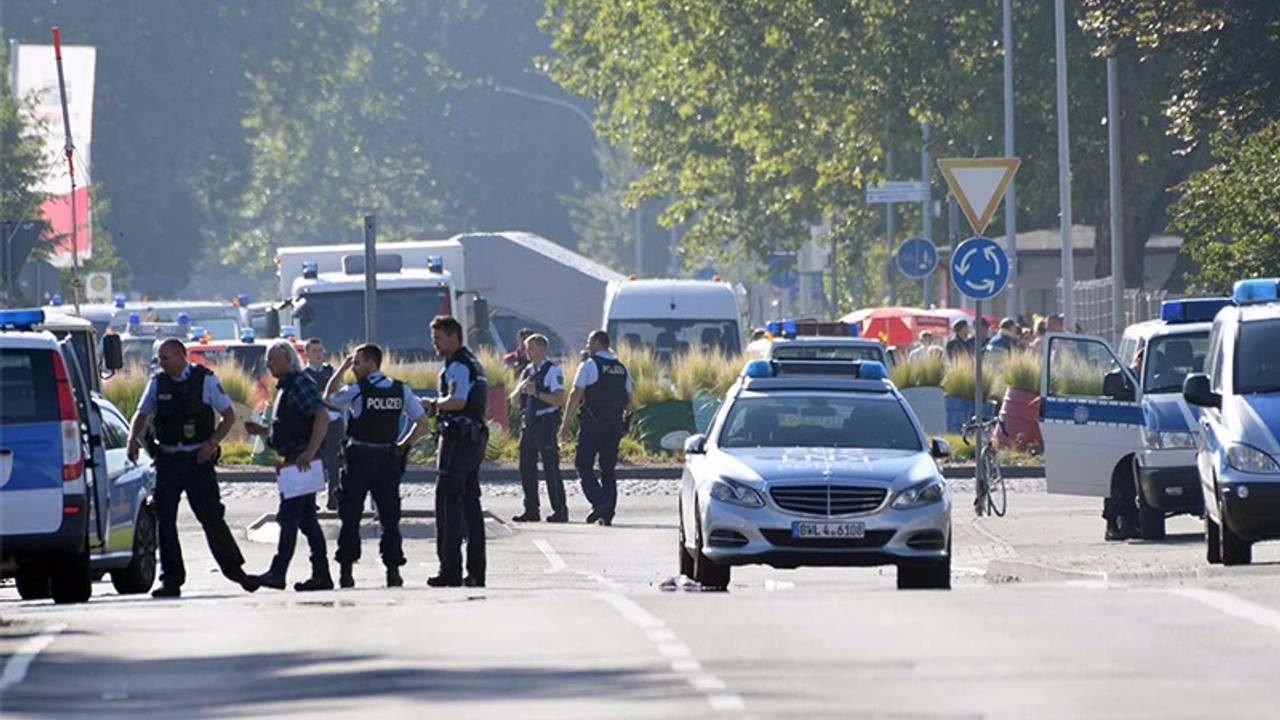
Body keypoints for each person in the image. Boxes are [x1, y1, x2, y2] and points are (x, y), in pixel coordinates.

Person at [125, 338, 258, 598]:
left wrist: (212, 443)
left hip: (198, 459)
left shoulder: (205, 379)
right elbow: (141, 415)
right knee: (165, 521)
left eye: (165, 358)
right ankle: (171, 580)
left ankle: (236, 572)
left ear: (180, 356)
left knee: (210, 517)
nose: (160, 363)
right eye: (159, 358)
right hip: (168, 460)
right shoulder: (157, 382)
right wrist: (132, 441)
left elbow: (228, 416)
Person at [324, 342, 430, 589]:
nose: (354, 368)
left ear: (371, 363)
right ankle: (393, 571)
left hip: (359, 458)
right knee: (390, 518)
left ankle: (346, 572)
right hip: (387, 459)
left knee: (350, 516)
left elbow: (328, 397)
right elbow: (422, 422)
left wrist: (340, 369)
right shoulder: (399, 389)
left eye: (357, 363)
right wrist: (403, 445)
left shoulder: (357, 390)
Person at [244, 340, 332, 591]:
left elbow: (322, 416)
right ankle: (321, 574)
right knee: (306, 519)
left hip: (300, 461)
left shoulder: (300, 383)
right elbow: (291, 424)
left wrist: (309, 452)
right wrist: (263, 430)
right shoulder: (287, 387)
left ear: (287, 359)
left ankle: (278, 571)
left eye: (272, 358)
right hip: (294, 460)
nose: (268, 363)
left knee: (290, 517)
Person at [422, 315, 490, 587]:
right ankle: (476, 572)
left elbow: (459, 400)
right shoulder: (473, 362)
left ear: (453, 336)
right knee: (471, 505)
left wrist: (434, 404)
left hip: (459, 439)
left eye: (438, 339)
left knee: (448, 503)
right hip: (473, 439)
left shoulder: (459, 366)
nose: (435, 345)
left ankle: (449, 570)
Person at [560, 329, 633, 526]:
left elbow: (576, 394)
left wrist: (565, 423)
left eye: (589, 342)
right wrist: (625, 424)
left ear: (597, 342)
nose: (587, 346)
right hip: (614, 424)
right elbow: (629, 402)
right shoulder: (622, 368)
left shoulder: (589, 365)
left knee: (583, 465)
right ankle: (607, 513)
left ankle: (600, 502)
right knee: (608, 469)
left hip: (593, 423)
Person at [510, 333, 568, 523]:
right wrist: (521, 389)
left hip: (545, 423)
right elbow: (514, 401)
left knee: (551, 467)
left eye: (531, 348)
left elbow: (558, 399)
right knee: (526, 467)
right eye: (527, 348)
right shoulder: (527, 371)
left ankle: (560, 509)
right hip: (529, 423)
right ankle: (531, 509)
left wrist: (537, 393)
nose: (528, 352)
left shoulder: (553, 371)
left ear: (543, 350)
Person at [303, 338, 344, 510]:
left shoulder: (331, 371)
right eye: (314, 351)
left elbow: (340, 391)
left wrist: (325, 395)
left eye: (320, 350)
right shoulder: (304, 374)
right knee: (314, 461)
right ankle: (311, 500)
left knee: (334, 462)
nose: (319, 354)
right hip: (313, 424)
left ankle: (333, 498)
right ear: (307, 354)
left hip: (334, 422)